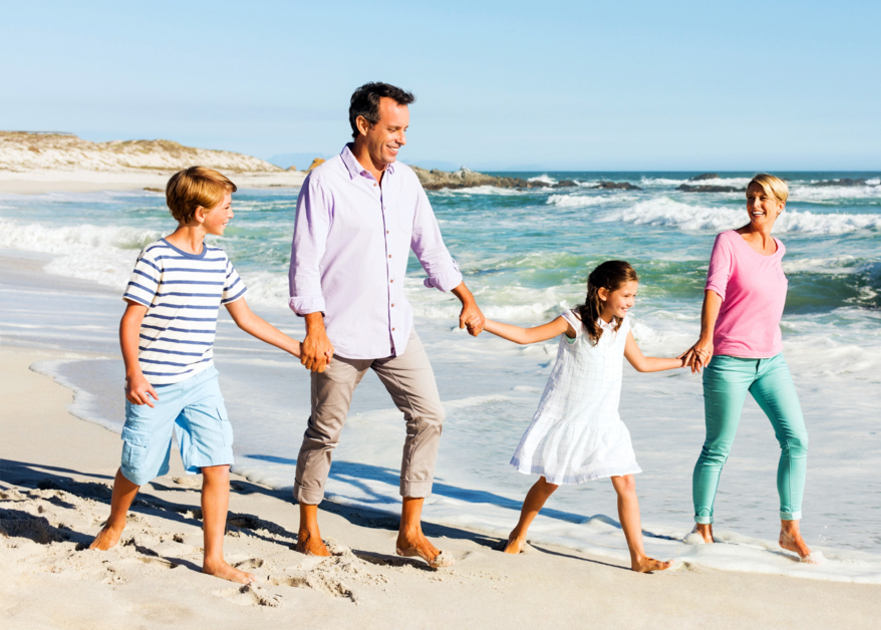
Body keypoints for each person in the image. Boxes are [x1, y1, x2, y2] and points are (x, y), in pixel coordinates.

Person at [287, 82, 485, 567]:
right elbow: (305, 261)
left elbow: (430, 247)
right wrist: (313, 326)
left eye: (405, 130)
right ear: (363, 124)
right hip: (340, 334)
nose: (401, 139)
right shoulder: (326, 181)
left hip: (398, 331)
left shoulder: (406, 181)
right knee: (325, 431)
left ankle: (409, 530)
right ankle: (307, 526)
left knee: (429, 416)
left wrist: (466, 297)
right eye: (393, 129)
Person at [90, 167, 303, 584]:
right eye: (226, 207)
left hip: (201, 380)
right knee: (137, 466)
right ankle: (115, 524)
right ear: (199, 211)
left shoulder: (219, 261)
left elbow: (246, 317)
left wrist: (296, 348)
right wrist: (134, 374)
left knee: (217, 462)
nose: (232, 214)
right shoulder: (157, 256)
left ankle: (214, 558)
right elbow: (131, 320)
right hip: (154, 383)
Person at [482, 261, 683, 573]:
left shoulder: (622, 325)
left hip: (605, 421)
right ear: (603, 293)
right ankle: (518, 535)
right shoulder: (573, 321)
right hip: (571, 418)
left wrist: (684, 360)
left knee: (626, 482)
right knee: (550, 481)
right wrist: (484, 322)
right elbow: (525, 335)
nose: (631, 302)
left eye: (634, 297)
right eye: (626, 295)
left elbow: (641, 363)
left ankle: (638, 557)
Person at [681, 173, 823, 564]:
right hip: (728, 360)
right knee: (718, 448)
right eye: (751, 197)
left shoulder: (779, 248)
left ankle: (789, 528)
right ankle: (702, 527)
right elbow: (715, 289)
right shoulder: (729, 241)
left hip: (771, 360)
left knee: (797, 440)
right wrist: (706, 338)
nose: (755, 204)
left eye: (764, 198)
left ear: (781, 205)